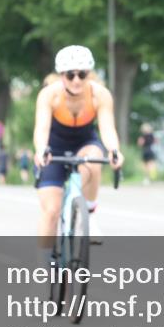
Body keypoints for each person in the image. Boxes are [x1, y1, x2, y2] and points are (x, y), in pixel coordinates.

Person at [33, 45, 124, 265]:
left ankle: (89, 213)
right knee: (51, 211)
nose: (76, 80)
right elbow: (41, 128)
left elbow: (107, 128)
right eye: (70, 74)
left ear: (89, 74)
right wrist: (41, 149)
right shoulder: (49, 95)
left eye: (82, 74)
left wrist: (114, 150)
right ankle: (44, 265)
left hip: (84, 142)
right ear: (61, 75)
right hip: (53, 147)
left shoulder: (100, 95)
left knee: (94, 157)